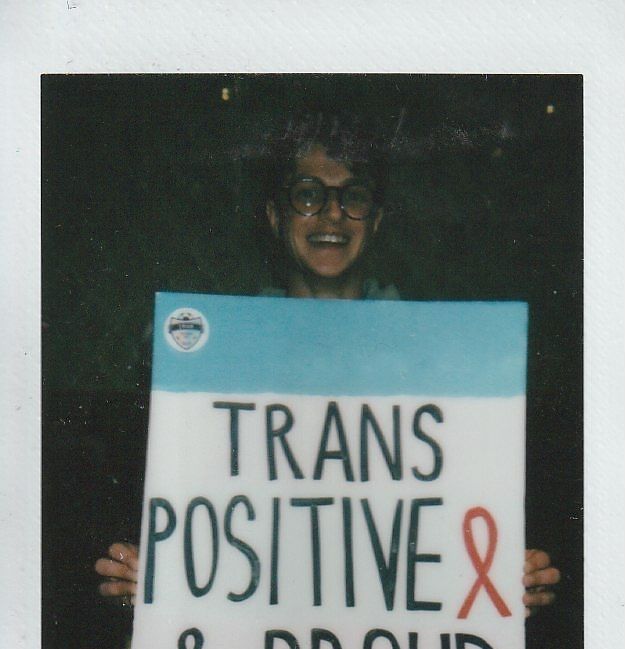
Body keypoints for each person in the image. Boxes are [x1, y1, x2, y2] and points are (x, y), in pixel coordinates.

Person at [95, 112, 560, 613]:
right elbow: (201, 520)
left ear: (375, 221)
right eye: (309, 194)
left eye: (353, 196)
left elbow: (454, 526)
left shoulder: (440, 362)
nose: (332, 215)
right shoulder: (221, 363)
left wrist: (508, 580)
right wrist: (156, 575)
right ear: (277, 216)